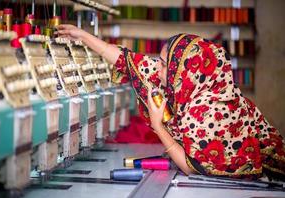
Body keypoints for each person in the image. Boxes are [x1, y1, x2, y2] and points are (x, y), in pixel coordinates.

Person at [56, 25, 285, 180]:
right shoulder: (189, 86)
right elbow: (128, 60)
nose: (159, 68)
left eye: (164, 64)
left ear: (185, 71)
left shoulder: (211, 109)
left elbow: (191, 167)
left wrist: (158, 125)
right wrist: (83, 36)